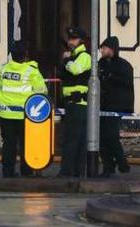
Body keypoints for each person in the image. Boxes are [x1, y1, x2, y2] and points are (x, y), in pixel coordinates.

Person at [0, 41, 48, 179]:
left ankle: (8, 172)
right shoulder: (31, 71)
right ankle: (26, 170)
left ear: (11, 55)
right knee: (26, 143)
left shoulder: (3, 70)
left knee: (8, 144)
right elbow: (42, 92)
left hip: (5, 113)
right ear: (25, 55)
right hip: (26, 114)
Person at [96, 36, 134, 176]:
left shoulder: (123, 65)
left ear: (111, 49)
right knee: (101, 137)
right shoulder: (101, 64)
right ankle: (108, 166)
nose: (101, 50)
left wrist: (109, 77)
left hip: (116, 106)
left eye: (104, 48)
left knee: (111, 136)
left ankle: (122, 162)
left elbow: (125, 85)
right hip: (102, 106)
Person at [57, 26, 92, 178]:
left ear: (81, 41)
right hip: (71, 104)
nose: (70, 42)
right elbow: (62, 73)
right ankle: (77, 172)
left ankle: (66, 172)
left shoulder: (84, 56)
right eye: (70, 39)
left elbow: (75, 70)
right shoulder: (72, 56)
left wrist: (65, 61)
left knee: (71, 140)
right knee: (76, 140)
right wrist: (66, 63)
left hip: (78, 104)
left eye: (74, 39)